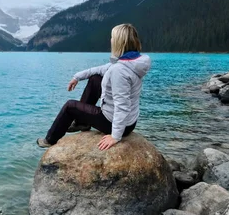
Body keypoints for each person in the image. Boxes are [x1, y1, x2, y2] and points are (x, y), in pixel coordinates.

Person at [36, 23, 151, 151]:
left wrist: (115, 136)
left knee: (70, 106)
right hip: (130, 120)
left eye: (112, 38)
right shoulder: (130, 62)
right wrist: (77, 77)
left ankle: (50, 140)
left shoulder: (119, 70)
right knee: (95, 79)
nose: (110, 40)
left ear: (119, 42)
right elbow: (100, 69)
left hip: (113, 122)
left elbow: (122, 105)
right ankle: (82, 123)